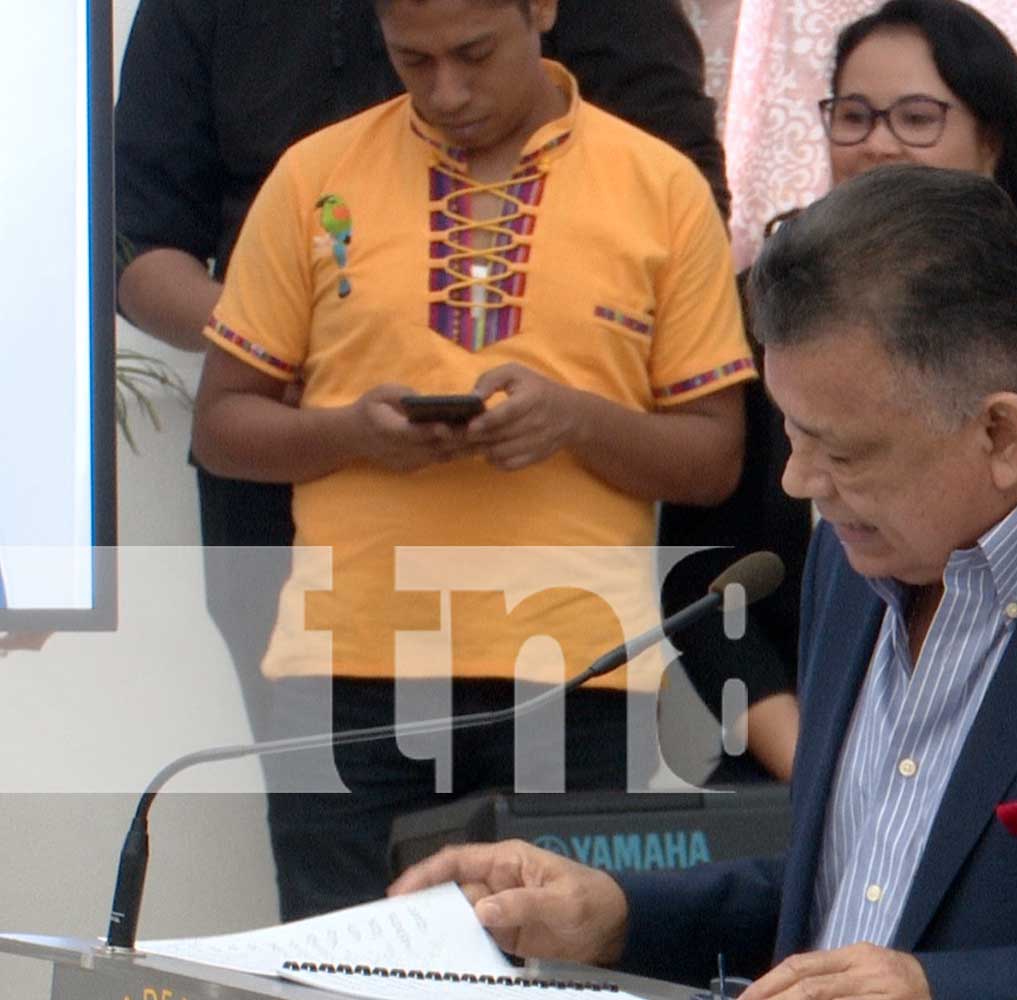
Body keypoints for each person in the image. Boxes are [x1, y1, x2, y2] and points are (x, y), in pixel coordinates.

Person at [391, 164, 1017, 999]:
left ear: (1000, 431)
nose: (798, 483)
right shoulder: (861, 544)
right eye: (790, 434)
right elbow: (875, 892)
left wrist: (945, 993)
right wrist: (618, 916)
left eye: (838, 448)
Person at [188, 0, 754, 919]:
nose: (446, 91)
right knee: (340, 973)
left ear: (542, 11)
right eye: (412, 61)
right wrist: (351, 435)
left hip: (572, 672)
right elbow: (220, 425)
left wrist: (576, 422)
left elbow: (713, 459)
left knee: (557, 968)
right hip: (348, 667)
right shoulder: (314, 176)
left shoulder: (660, 187)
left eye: (474, 54)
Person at [668, 0, 1017, 786]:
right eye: (854, 116)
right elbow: (707, 582)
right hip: (802, 751)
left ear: (992, 141)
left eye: (915, 118)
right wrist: (816, 769)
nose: (876, 143)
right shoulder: (774, 306)